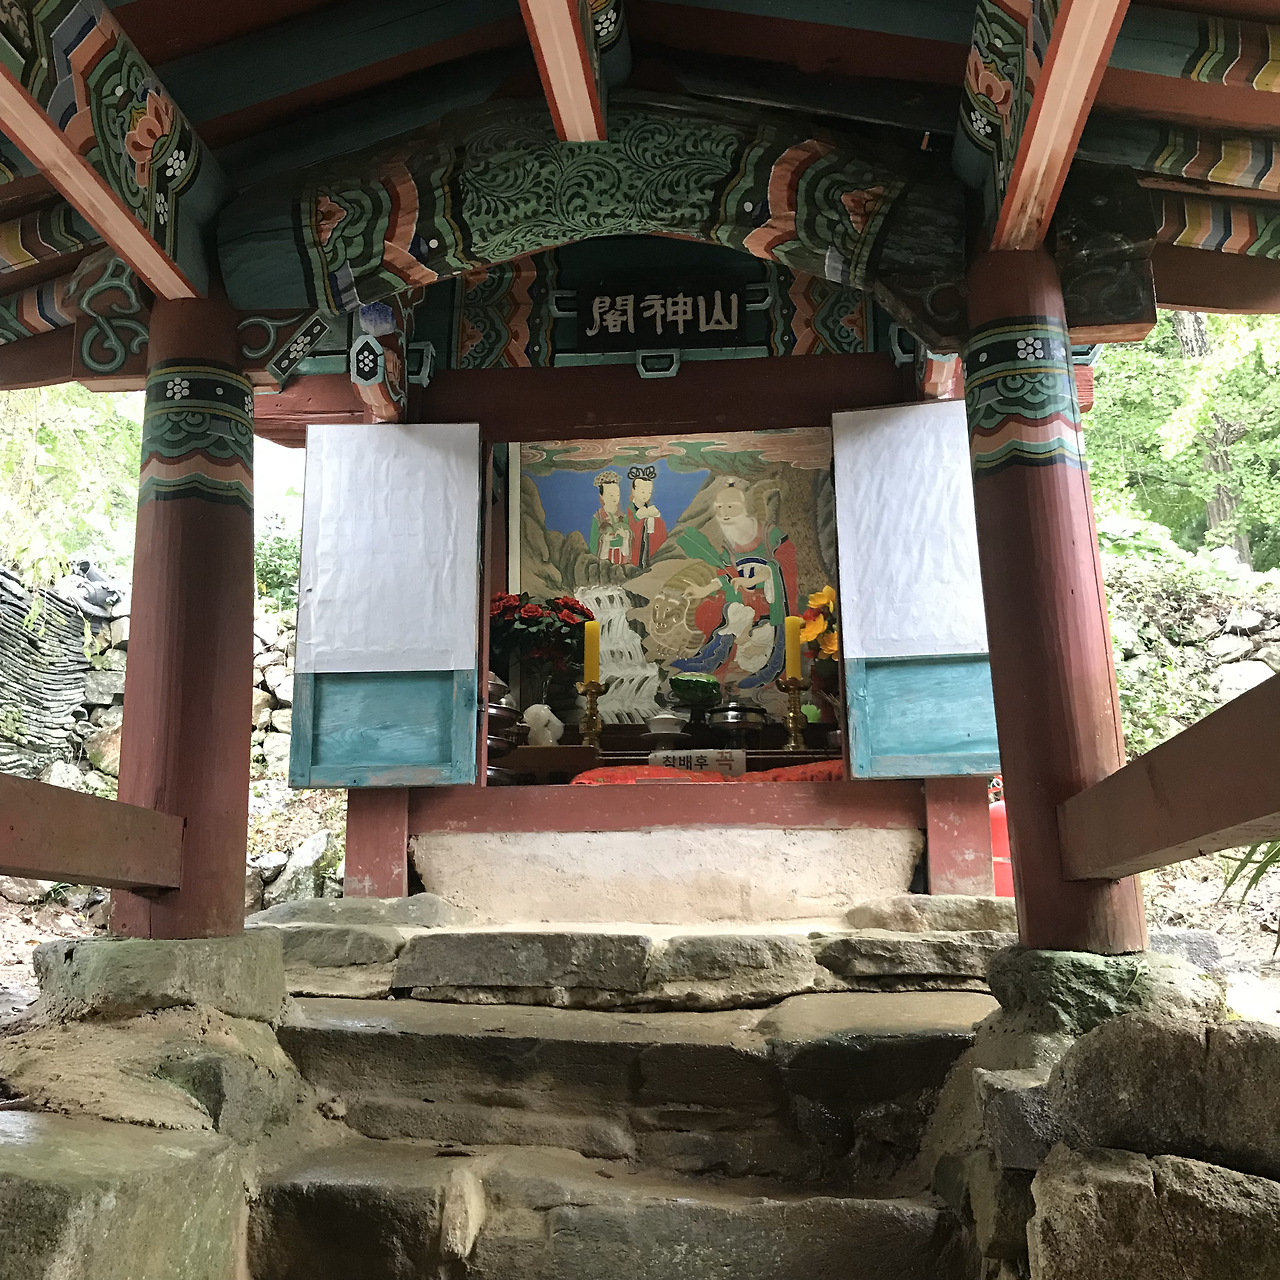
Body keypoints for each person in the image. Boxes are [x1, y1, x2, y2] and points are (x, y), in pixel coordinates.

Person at [668, 478, 798, 688]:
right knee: (725, 612)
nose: (724, 513)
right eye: (719, 508)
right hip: (745, 600)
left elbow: (783, 562)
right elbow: (727, 574)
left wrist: (755, 579)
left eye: (730, 507)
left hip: (772, 599)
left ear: (744, 506)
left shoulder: (768, 534)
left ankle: (769, 669)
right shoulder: (730, 543)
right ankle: (710, 659)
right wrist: (703, 590)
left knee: (753, 633)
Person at [626, 465, 667, 570]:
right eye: (643, 492)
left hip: (649, 542)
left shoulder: (650, 508)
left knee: (658, 521)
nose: (646, 495)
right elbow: (630, 525)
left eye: (649, 492)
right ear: (633, 491)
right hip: (635, 543)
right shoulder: (629, 510)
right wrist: (640, 517)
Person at [589, 470, 631, 565]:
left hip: (621, 555)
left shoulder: (623, 516)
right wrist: (604, 539)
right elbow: (593, 541)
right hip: (605, 556)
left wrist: (625, 535)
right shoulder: (598, 517)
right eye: (611, 495)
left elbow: (630, 537)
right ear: (601, 496)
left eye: (617, 495)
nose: (614, 498)